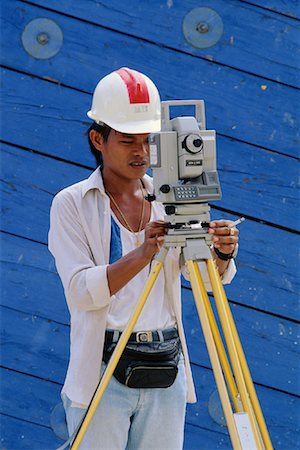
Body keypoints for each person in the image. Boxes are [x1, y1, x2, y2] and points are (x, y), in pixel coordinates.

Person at [48, 67, 239, 450]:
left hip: (166, 369)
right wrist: (143, 253)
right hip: (102, 370)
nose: (141, 152)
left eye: (149, 141)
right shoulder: (71, 204)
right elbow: (82, 292)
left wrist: (220, 251)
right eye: (127, 140)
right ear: (98, 139)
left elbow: (204, 282)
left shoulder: (174, 196)